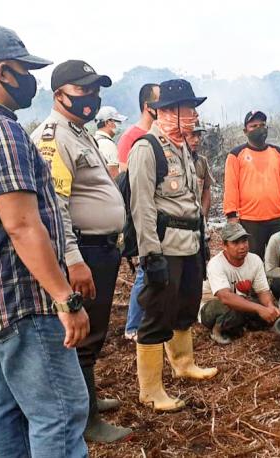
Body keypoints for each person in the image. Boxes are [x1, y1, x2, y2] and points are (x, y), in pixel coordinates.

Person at [0, 24, 89, 456]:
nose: (30, 78)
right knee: (62, 414)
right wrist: (65, 300)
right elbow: (22, 225)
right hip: (26, 302)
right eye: (24, 69)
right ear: (3, 70)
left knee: (8, 415)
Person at [31, 60, 131, 442]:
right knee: (82, 333)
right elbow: (55, 207)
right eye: (82, 90)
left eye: (94, 90)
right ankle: (85, 417)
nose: (91, 98)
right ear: (59, 95)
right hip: (83, 250)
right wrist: (73, 259)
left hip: (100, 248)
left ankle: (87, 397)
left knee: (95, 329)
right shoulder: (53, 136)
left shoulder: (80, 131)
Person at [128, 79, 217, 412]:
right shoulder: (146, 149)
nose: (193, 115)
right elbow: (142, 206)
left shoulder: (182, 148)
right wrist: (150, 254)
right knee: (157, 313)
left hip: (190, 242)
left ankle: (183, 362)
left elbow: (192, 199)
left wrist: (202, 239)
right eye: (187, 109)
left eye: (193, 109)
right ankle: (150, 389)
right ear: (166, 112)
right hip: (165, 246)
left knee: (185, 304)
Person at [224, 110, 280, 258]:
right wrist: (231, 215)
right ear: (245, 131)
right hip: (249, 219)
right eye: (253, 126)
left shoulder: (277, 152)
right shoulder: (236, 155)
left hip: (277, 217)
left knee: (279, 259)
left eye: (262, 125)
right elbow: (231, 187)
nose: (259, 129)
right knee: (254, 260)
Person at [200, 223, 280, 344]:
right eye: (236, 243)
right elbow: (225, 297)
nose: (242, 246)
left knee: (267, 310)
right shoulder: (216, 264)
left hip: (241, 300)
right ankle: (217, 329)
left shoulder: (255, 260)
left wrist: (269, 306)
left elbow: (262, 291)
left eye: (244, 241)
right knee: (235, 310)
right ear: (224, 245)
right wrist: (259, 309)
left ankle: (240, 327)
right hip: (213, 307)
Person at [122, 83, 160, 341]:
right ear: (148, 107)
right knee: (145, 269)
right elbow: (127, 183)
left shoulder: (161, 137)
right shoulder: (132, 138)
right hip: (141, 215)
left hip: (160, 216)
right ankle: (133, 325)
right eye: (161, 103)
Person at [117, 83, 160, 172]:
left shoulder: (163, 132)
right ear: (147, 106)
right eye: (159, 101)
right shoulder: (129, 138)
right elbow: (125, 173)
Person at [94, 106, 128, 178]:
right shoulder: (108, 145)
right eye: (118, 122)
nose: (120, 125)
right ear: (107, 122)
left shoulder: (94, 140)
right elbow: (114, 177)